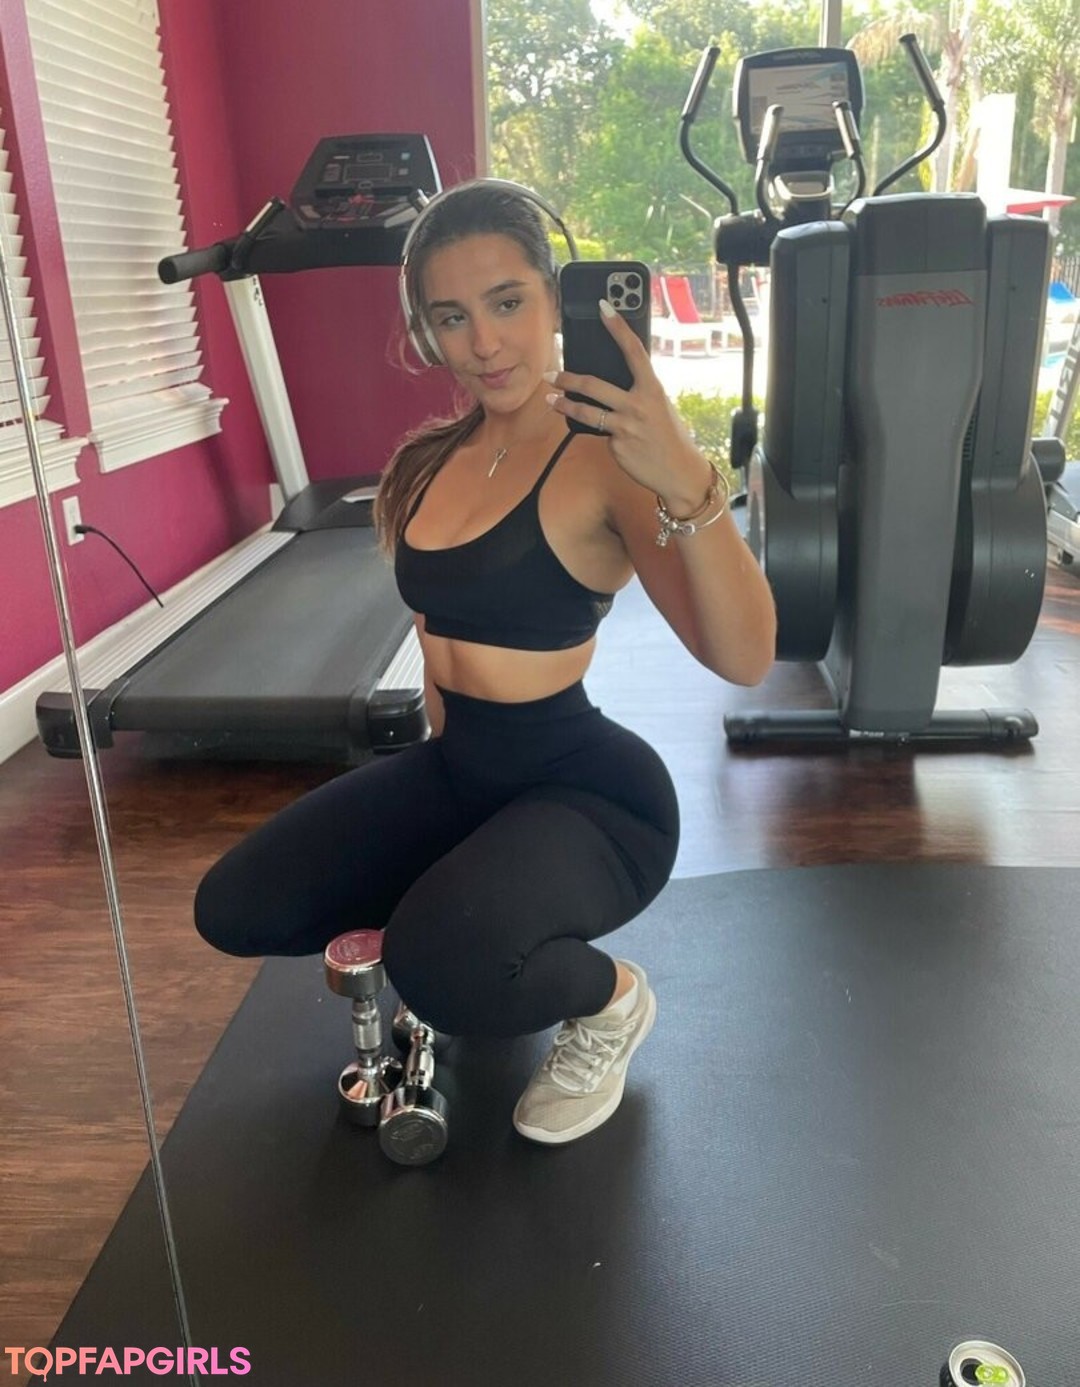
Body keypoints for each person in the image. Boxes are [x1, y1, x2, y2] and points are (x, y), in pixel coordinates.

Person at [194, 180, 776, 1147]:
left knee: (436, 967)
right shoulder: (429, 459)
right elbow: (435, 632)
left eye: (508, 302)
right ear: (427, 331)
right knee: (234, 905)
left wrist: (687, 476)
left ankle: (610, 1001)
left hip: (591, 797)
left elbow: (746, 656)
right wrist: (438, 830)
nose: (485, 342)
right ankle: (466, 929)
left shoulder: (610, 459)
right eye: (452, 316)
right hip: (459, 769)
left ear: (554, 298)